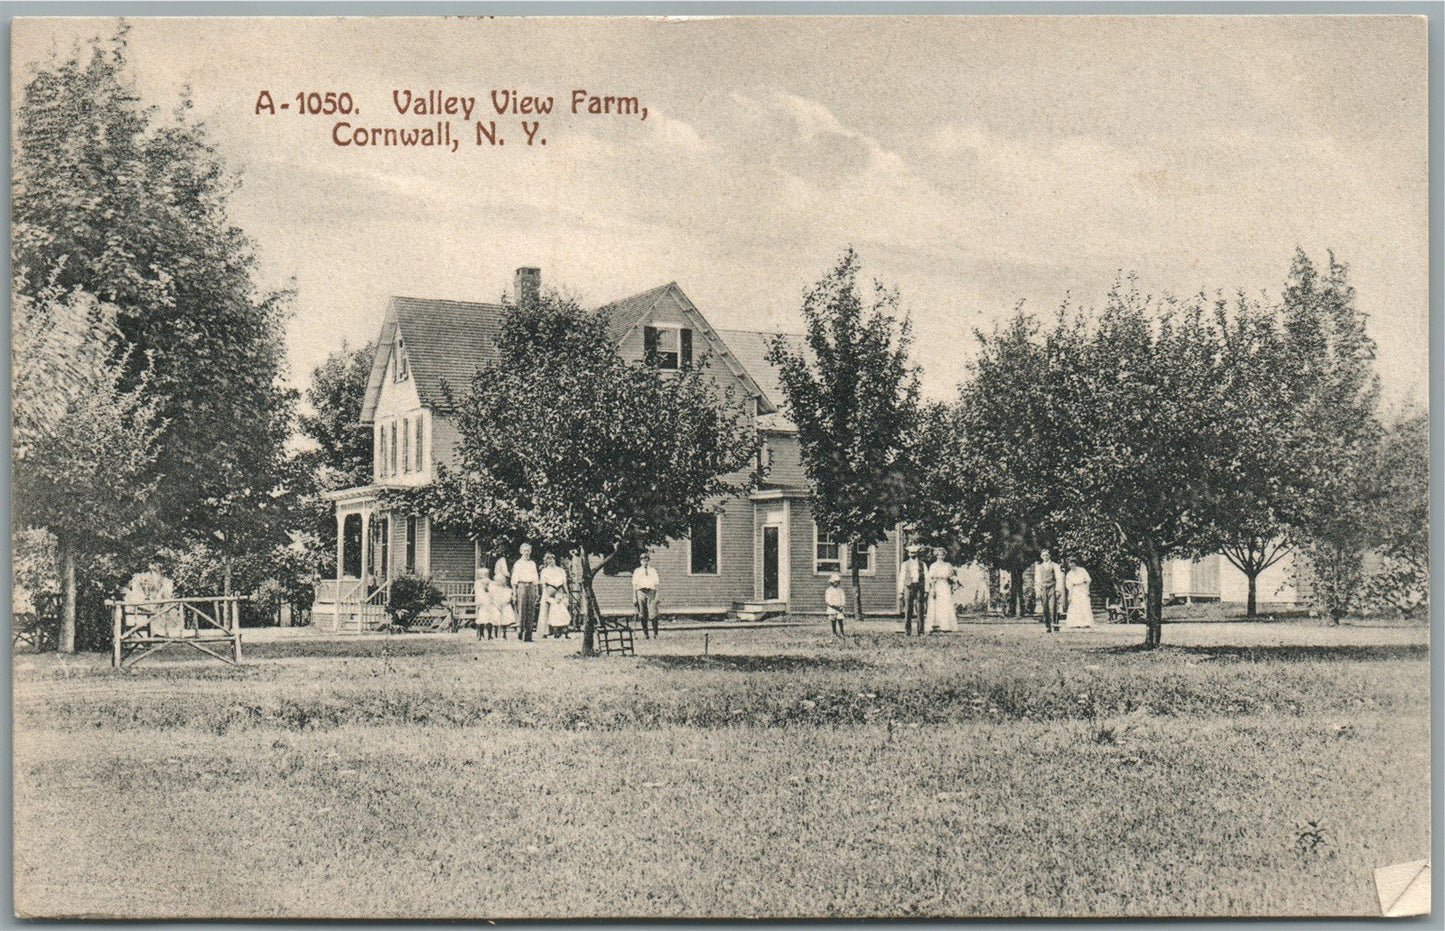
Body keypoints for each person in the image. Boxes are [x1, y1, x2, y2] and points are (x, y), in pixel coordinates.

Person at [511, 543, 541, 642]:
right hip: (521, 586)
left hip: (531, 586)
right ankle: (520, 633)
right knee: (522, 609)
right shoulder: (518, 564)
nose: (527, 553)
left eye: (528, 550)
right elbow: (514, 579)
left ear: (530, 551)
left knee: (531, 611)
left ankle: (528, 636)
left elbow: (536, 578)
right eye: (525, 550)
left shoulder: (533, 564)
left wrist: (536, 592)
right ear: (521, 551)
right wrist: (515, 593)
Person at [926, 547, 959, 633]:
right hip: (937, 585)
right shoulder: (933, 566)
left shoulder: (948, 565)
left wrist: (954, 582)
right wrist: (933, 589)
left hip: (945, 585)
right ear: (936, 555)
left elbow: (952, 576)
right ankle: (935, 625)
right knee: (936, 604)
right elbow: (931, 578)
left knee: (945, 604)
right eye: (939, 555)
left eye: (943, 555)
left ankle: (946, 625)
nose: (941, 556)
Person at [897, 544, 928, 636]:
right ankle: (907, 630)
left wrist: (926, 590)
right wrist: (900, 591)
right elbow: (902, 578)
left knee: (920, 609)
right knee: (908, 609)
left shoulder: (922, 564)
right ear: (908, 553)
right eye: (911, 553)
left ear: (917, 553)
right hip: (908, 587)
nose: (912, 554)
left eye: (914, 552)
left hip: (919, 587)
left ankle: (921, 631)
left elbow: (927, 577)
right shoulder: (905, 564)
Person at [539, 553, 571, 638]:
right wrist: (545, 594)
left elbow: (564, 583)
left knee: (561, 608)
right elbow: (543, 584)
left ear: (555, 559)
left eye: (552, 559)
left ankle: (561, 630)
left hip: (559, 590)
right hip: (549, 589)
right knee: (547, 609)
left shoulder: (560, 570)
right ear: (546, 561)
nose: (550, 561)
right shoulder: (544, 571)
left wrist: (567, 593)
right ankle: (546, 631)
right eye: (548, 559)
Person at [631, 553, 660, 640]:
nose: (645, 562)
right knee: (642, 614)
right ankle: (646, 634)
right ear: (640, 561)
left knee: (653, 613)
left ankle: (655, 633)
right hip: (641, 592)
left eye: (647, 561)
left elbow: (656, 584)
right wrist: (634, 597)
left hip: (651, 592)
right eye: (643, 561)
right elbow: (634, 585)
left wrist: (657, 596)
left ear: (648, 561)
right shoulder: (637, 571)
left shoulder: (653, 571)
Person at [1035, 548, 1064, 633]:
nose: (1045, 557)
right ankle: (1047, 626)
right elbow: (1037, 579)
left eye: (1046, 555)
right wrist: (1038, 590)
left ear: (1049, 555)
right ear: (1041, 556)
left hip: (1052, 587)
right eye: (1043, 555)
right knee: (1045, 608)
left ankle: (1055, 625)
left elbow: (1059, 578)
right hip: (1043, 588)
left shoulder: (1055, 565)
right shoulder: (1039, 567)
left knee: (1053, 606)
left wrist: (1058, 590)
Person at [1061, 556, 1094, 629]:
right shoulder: (1069, 574)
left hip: (1082, 588)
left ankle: (1085, 623)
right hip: (1074, 590)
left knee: (1084, 605)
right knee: (1075, 606)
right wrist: (1070, 595)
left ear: (1075, 563)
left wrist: (1087, 590)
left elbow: (1088, 580)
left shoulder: (1082, 570)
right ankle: (1075, 623)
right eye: (1069, 564)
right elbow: (1069, 586)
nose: (1071, 565)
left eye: (1072, 563)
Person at [490, 570, 517, 638]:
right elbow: (492, 598)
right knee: (496, 619)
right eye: (498, 581)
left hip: (504, 606)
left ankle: (504, 634)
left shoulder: (506, 589)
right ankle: (496, 634)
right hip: (496, 605)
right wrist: (496, 604)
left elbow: (508, 598)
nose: (499, 583)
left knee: (505, 620)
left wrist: (504, 603)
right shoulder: (494, 589)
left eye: (501, 581)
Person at [474, 566, 498, 639]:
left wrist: (478, 602)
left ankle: (480, 635)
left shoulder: (477, 583)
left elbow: (477, 593)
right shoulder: (492, 582)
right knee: (489, 618)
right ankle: (489, 635)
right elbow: (494, 593)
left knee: (482, 617)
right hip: (489, 601)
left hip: (482, 602)